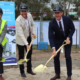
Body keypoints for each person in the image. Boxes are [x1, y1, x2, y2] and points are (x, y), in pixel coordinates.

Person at [48, 5, 75, 80]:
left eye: (58, 12)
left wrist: (68, 37)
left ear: (62, 13)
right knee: (56, 57)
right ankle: (57, 74)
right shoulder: (51, 23)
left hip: (67, 40)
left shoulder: (68, 19)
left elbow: (72, 29)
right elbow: (50, 37)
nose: (57, 14)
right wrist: (53, 49)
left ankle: (69, 75)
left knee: (67, 57)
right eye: (55, 13)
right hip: (57, 40)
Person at [16, 3, 36, 78]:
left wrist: (33, 32)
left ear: (27, 11)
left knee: (29, 54)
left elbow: (33, 24)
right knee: (21, 56)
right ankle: (22, 71)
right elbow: (20, 34)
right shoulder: (18, 20)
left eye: (25, 11)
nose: (24, 12)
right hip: (21, 41)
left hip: (28, 38)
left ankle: (29, 69)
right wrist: (26, 44)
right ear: (20, 12)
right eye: (22, 11)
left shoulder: (30, 16)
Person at [0, 8, 8, 80]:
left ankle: (0, 75)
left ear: (1, 15)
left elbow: (3, 34)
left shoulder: (4, 22)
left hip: (0, 43)